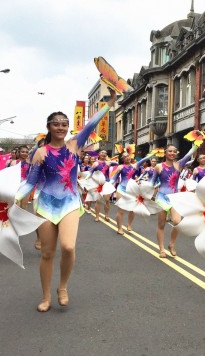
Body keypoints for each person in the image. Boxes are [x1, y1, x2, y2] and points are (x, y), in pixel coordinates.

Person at [15, 88, 117, 312]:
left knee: (68, 247)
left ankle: (62, 287)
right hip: (45, 204)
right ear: (49, 127)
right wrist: (13, 199)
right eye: (56, 123)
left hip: (70, 202)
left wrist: (111, 102)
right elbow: (31, 183)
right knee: (47, 253)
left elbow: (91, 123)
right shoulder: (40, 153)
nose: (60, 127)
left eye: (64, 124)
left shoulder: (75, 145)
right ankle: (45, 296)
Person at [149, 144, 197, 257]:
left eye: (174, 151)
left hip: (175, 197)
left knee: (177, 222)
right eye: (170, 151)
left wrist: (196, 143)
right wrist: (148, 189)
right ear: (165, 153)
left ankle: (171, 244)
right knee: (161, 224)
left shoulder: (179, 165)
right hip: (161, 197)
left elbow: (190, 153)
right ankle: (161, 248)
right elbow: (152, 182)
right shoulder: (159, 167)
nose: (172, 153)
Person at [112, 152, 150, 234]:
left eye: (128, 156)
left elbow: (144, 160)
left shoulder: (135, 166)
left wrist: (151, 154)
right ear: (122, 159)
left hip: (132, 190)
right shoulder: (120, 167)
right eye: (124, 157)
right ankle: (119, 228)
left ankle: (129, 225)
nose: (127, 157)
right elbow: (114, 178)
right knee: (121, 210)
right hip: (121, 189)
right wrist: (109, 184)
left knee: (133, 209)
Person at [90, 150, 118, 222]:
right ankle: (97, 216)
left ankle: (107, 215)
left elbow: (117, 163)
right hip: (98, 184)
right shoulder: (95, 163)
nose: (103, 154)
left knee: (107, 200)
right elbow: (90, 173)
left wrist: (109, 161)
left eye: (105, 153)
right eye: (102, 153)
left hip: (107, 182)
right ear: (99, 154)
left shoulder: (108, 163)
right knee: (98, 200)